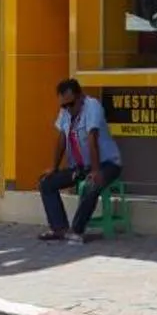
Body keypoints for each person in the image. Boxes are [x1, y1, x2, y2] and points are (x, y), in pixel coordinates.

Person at [38, 78, 121, 245]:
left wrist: (95, 171)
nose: (68, 109)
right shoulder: (66, 112)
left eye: (71, 104)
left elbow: (92, 138)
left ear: (80, 97)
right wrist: (54, 167)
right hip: (81, 166)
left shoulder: (92, 107)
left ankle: (76, 231)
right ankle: (59, 228)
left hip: (107, 163)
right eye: (64, 105)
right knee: (46, 183)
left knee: (91, 185)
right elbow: (62, 139)